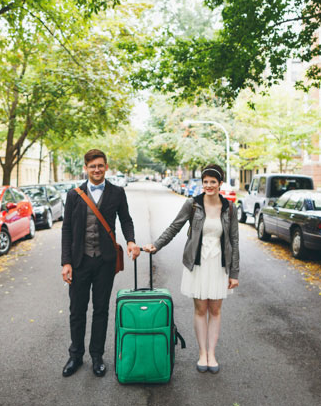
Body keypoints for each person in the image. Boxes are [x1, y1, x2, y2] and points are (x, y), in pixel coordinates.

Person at [144, 163, 239, 374]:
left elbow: (234, 240)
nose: (208, 185)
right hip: (197, 263)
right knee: (200, 309)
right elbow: (174, 227)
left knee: (215, 310)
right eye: (205, 182)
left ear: (220, 183)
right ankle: (202, 353)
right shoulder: (193, 204)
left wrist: (234, 273)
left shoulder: (230, 208)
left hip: (219, 265)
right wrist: (157, 245)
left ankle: (212, 354)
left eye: (213, 182)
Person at [61, 149, 141, 377]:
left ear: (106, 167)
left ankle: (97, 356)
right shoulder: (74, 195)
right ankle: (75, 355)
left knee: (101, 309)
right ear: (85, 169)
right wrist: (66, 262)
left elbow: (126, 219)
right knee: (77, 310)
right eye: (92, 166)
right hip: (79, 261)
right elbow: (66, 229)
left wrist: (131, 241)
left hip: (105, 261)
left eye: (100, 166)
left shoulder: (117, 192)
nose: (97, 170)